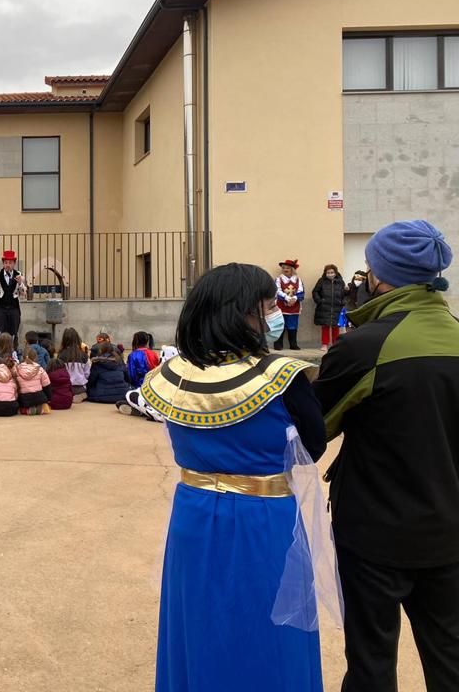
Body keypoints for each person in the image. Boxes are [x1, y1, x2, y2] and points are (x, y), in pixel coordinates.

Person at [139, 262, 332, 692]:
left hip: (193, 513)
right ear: (242, 313)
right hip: (263, 516)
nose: (272, 315)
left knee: (198, 622)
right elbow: (312, 446)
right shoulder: (281, 376)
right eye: (266, 306)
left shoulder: (174, 376)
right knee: (268, 629)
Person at [313, 220, 459, 692]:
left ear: (378, 272)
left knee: (372, 664)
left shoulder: (363, 346)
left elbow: (313, 431)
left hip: (373, 533)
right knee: (451, 660)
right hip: (451, 532)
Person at [0, 250, 26, 339]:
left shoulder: (19, 275)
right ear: (3, 263)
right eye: (6, 262)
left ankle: (13, 352)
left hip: (14, 308)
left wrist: (20, 283)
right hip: (0, 308)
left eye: (10, 262)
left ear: (14, 263)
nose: (8, 265)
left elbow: (23, 293)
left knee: (13, 334)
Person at [311, 264, 346, 351]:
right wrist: (319, 301)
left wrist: (343, 302)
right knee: (325, 326)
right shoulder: (321, 281)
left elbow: (344, 294)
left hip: (337, 307)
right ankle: (324, 344)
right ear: (325, 273)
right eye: (328, 272)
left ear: (336, 272)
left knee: (335, 326)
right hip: (324, 307)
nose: (330, 274)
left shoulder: (340, 282)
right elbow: (315, 292)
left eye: (332, 272)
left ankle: (335, 344)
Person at [274, 258, 304, 350]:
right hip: (281, 305)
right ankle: (278, 345)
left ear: (292, 269)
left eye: (288, 268)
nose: (285, 269)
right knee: (280, 325)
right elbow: (277, 290)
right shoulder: (278, 279)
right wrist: (286, 298)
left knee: (292, 326)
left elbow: (301, 291)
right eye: (284, 268)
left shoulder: (298, 280)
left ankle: (293, 344)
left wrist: (294, 298)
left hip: (294, 307)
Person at [58, 328, 91, 403]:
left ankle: (69, 396)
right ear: (77, 339)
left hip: (65, 387)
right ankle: (80, 395)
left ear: (64, 339)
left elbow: (59, 373)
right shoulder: (83, 355)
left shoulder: (60, 355)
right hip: (80, 388)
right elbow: (87, 374)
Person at [16, 348, 52, 415]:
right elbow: (47, 386)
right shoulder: (40, 369)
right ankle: (39, 408)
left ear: (22, 357)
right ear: (35, 358)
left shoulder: (17, 369)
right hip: (39, 397)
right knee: (42, 402)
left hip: (24, 398)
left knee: (22, 403)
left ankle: (26, 410)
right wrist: (48, 399)